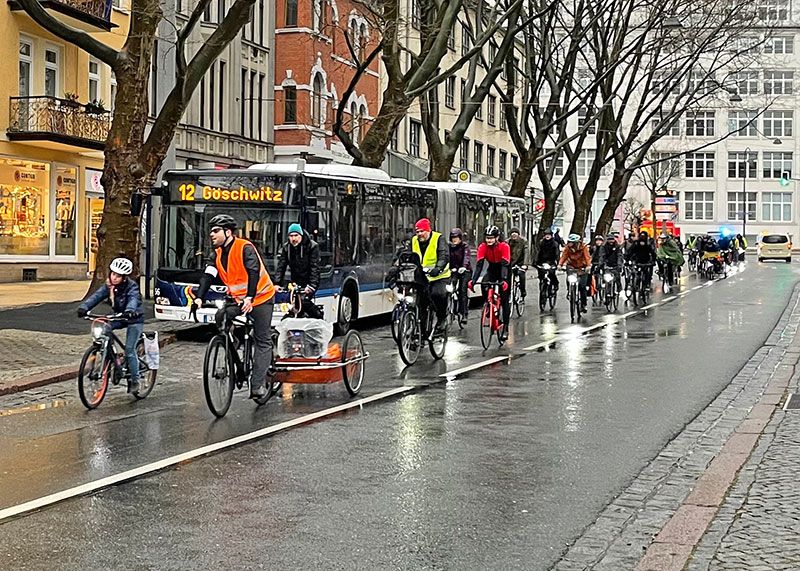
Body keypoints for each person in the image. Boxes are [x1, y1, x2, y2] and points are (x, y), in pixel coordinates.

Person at [193, 214, 276, 400]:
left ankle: (257, 385)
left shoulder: (244, 247)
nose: (211, 235)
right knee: (220, 317)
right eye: (211, 231)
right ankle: (235, 346)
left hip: (261, 297)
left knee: (262, 340)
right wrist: (199, 298)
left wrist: (250, 297)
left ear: (228, 232)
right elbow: (207, 276)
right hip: (239, 300)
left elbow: (253, 272)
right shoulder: (217, 253)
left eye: (215, 231)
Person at [77, 257, 144, 395]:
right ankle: (109, 356)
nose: (114, 277)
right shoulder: (109, 286)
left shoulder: (132, 287)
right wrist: (84, 307)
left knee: (130, 349)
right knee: (105, 329)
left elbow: (133, 299)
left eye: (118, 276)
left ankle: (135, 380)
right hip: (119, 316)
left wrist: (130, 310)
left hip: (133, 318)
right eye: (113, 274)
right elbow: (96, 297)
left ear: (124, 278)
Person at [469, 225, 512, 340]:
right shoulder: (483, 247)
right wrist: (473, 281)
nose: (489, 240)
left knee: (504, 299)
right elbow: (479, 265)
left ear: (497, 238)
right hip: (492, 269)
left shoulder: (504, 246)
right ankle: (488, 304)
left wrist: (503, 280)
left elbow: (504, 265)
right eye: (487, 238)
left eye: (492, 238)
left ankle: (506, 328)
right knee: (484, 283)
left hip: (504, 269)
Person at [411, 218, 451, 336]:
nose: (419, 234)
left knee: (438, 294)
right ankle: (421, 334)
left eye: (422, 231)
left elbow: (443, 255)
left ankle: (441, 318)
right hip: (422, 277)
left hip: (439, 276)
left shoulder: (439, 238)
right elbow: (405, 255)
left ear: (428, 230)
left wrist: (438, 268)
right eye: (417, 232)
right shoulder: (413, 241)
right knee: (420, 304)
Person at [275, 223, 322, 319]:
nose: (293, 239)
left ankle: (319, 316)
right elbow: (281, 266)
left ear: (301, 235)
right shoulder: (286, 248)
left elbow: (314, 267)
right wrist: (277, 283)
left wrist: (312, 286)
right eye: (291, 236)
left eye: (296, 235)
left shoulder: (312, 246)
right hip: (295, 280)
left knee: (304, 301)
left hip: (309, 280)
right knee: (292, 304)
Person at [558, 233, 592, 311]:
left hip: (582, 268)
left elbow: (587, 257)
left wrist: (588, 266)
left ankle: (584, 304)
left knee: (582, 286)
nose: (569, 243)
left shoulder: (583, 248)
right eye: (569, 242)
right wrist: (560, 265)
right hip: (572, 266)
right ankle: (569, 290)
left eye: (571, 242)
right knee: (569, 279)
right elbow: (564, 256)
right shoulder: (567, 248)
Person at [449, 228, 471, 324]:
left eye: (456, 237)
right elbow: (446, 257)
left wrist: (464, 267)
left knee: (463, 290)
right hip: (453, 270)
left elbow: (466, 257)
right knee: (449, 288)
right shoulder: (449, 247)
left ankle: (464, 314)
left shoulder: (464, 246)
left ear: (460, 238)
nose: (454, 239)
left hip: (465, 271)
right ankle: (450, 309)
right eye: (453, 237)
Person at [508, 227, 527, 299]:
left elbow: (526, 253)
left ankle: (523, 291)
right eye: (512, 233)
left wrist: (525, 264)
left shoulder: (523, 241)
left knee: (521, 274)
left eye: (515, 233)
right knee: (507, 277)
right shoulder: (507, 242)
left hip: (520, 263)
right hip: (510, 263)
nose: (514, 235)